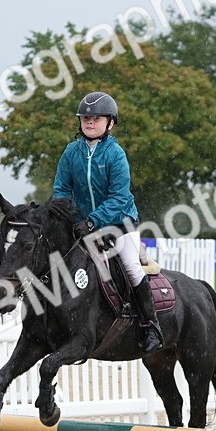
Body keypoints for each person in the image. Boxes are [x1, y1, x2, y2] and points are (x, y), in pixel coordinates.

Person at [52, 91, 163, 353]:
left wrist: (93, 220)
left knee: (132, 267)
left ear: (110, 123)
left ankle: (151, 326)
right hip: (82, 225)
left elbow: (118, 197)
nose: (89, 122)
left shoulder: (116, 154)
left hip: (119, 222)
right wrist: (64, 215)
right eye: (85, 118)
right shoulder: (71, 153)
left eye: (96, 118)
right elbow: (61, 189)